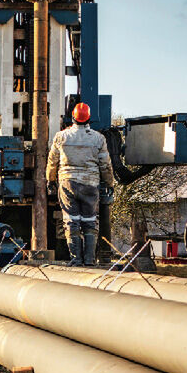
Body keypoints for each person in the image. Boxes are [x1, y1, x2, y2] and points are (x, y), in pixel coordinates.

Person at [46, 102, 116, 266]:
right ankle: (90, 260)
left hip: (67, 183)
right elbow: (105, 165)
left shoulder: (61, 137)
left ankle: (76, 259)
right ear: (89, 118)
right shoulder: (99, 139)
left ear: (72, 118)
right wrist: (109, 182)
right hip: (90, 184)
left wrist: (50, 180)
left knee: (71, 221)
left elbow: (52, 162)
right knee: (90, 221)